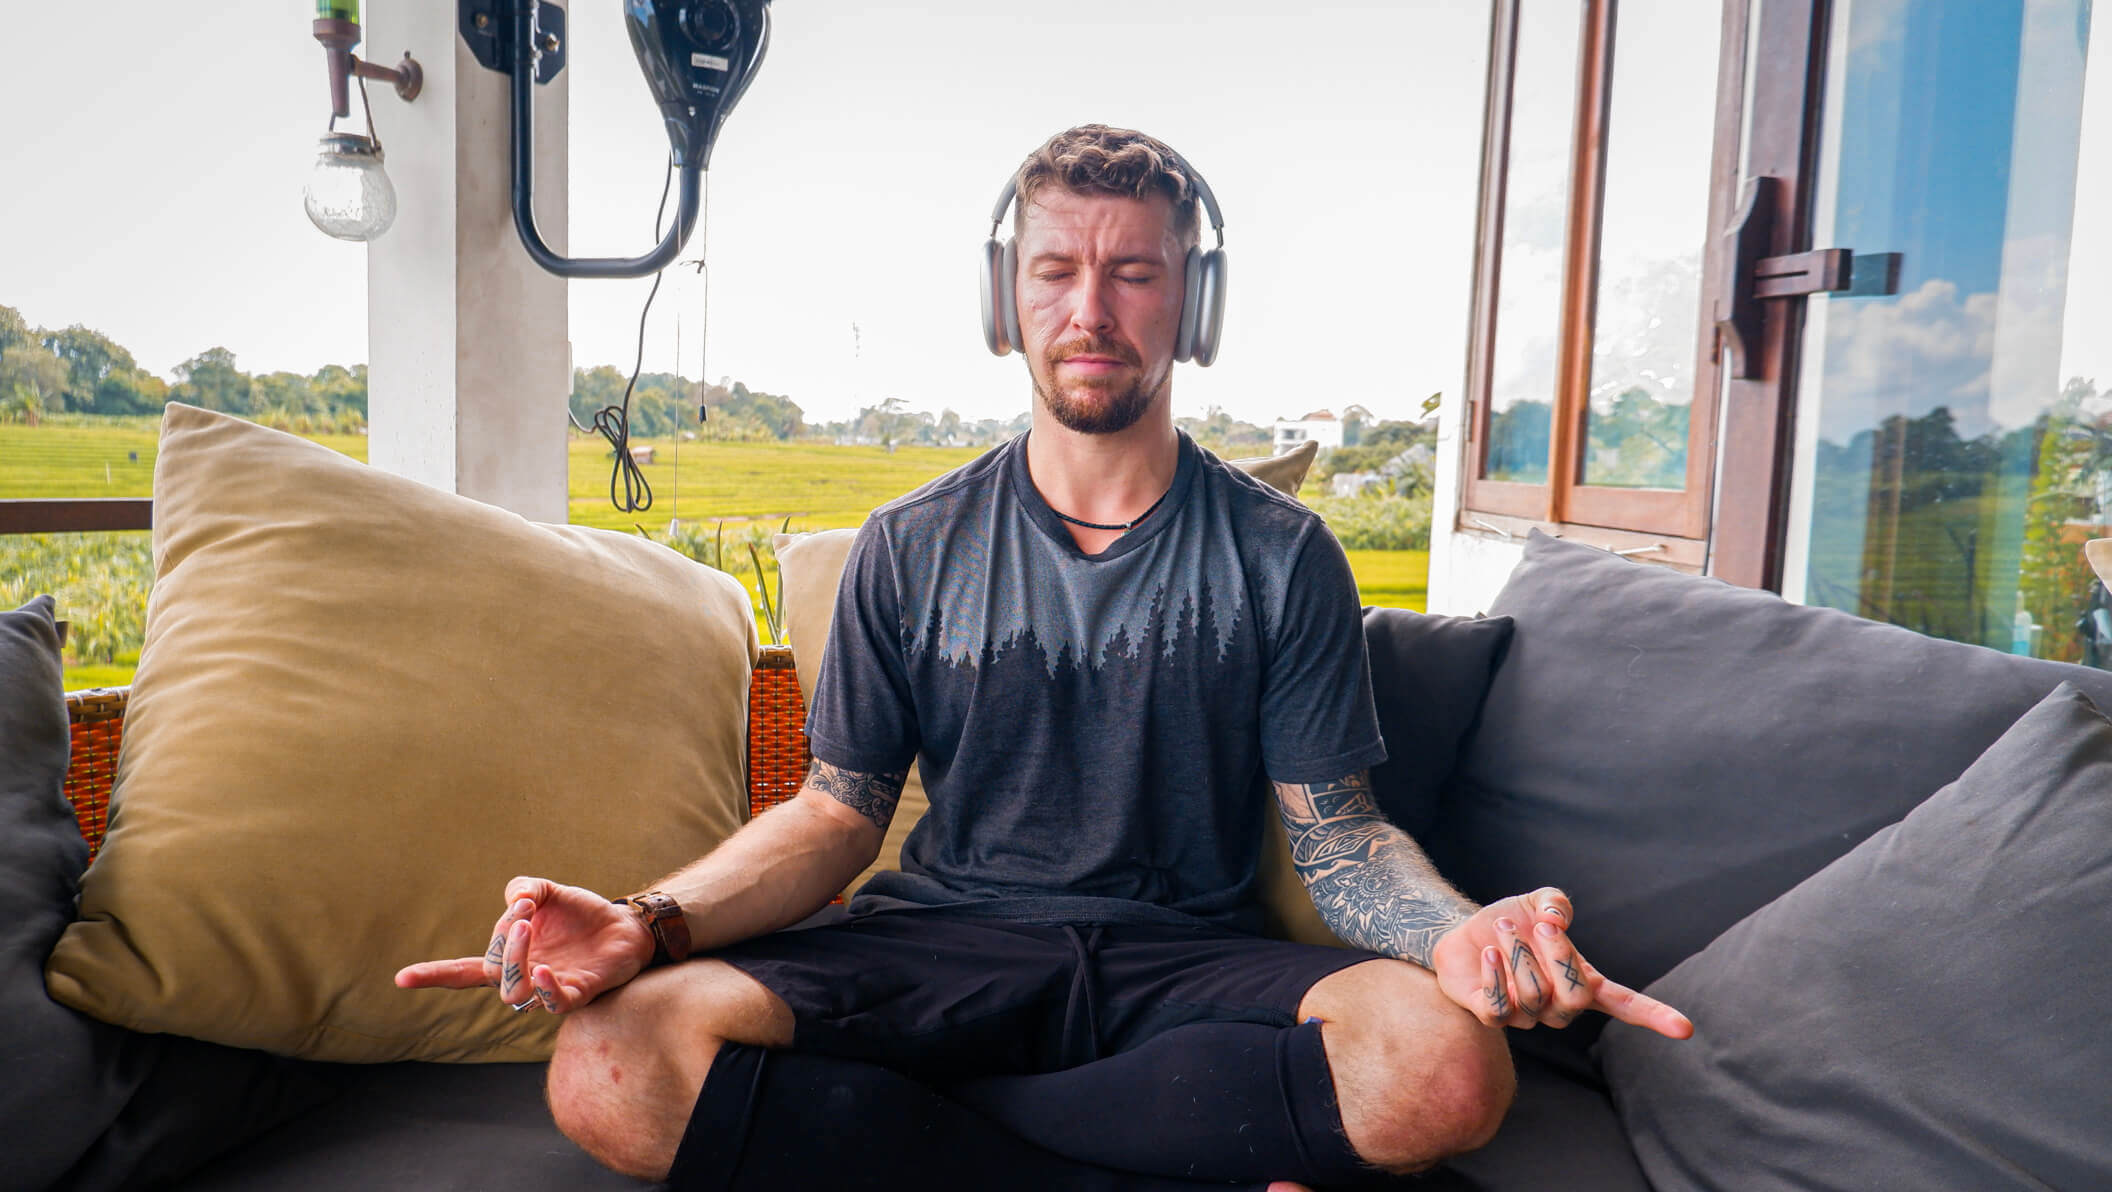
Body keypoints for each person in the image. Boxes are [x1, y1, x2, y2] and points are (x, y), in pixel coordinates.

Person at [397, 124, 1690, 1191]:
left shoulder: (1283, 557)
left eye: (1135, 271)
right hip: (945, 946)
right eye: (1056, 268)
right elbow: (836, 816)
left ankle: (954, 1141)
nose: (1091, 308)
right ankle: (1141, 1156)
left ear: (1194, 305)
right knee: (609, 1064)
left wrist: (1461, 939)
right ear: (1003, 298)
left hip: (1181, 961)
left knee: (1452, 1068)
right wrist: (643, 923)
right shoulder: (910, 548)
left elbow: (1341, 843)